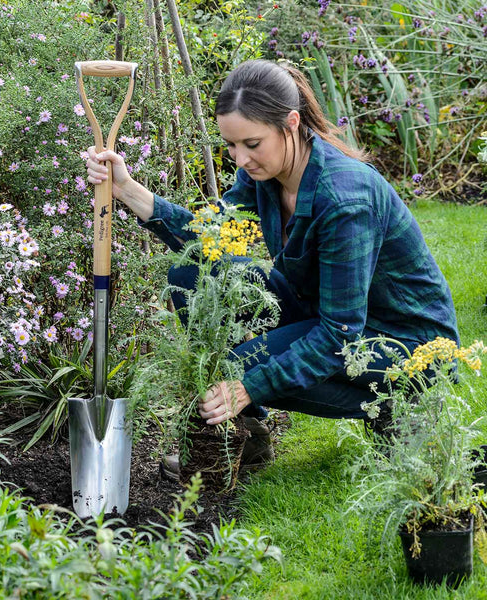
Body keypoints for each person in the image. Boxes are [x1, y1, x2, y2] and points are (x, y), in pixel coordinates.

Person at [86, 59, 459, 472]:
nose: (240, 159)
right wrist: (128, 189)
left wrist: (248, 386)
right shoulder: (265, 174)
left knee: (238, 368)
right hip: (328, 315)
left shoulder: (345, 201)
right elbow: (209, 235)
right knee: (189, 274)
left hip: (402, 346)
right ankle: (250, 440)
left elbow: (341, 335)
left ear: (291, 123)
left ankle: (399, 406)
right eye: (231, 145)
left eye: (251, 143)